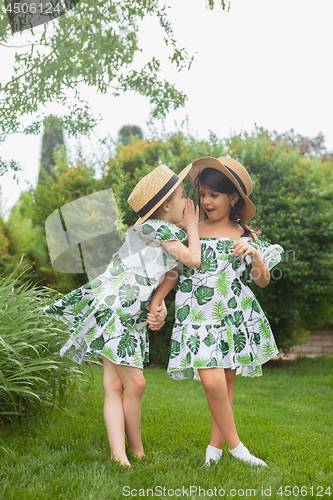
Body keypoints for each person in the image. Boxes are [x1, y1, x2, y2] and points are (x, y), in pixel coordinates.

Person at [45, 163, 201, 466]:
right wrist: (193, 226)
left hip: (125, 313)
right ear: (167, 204)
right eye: (184, 196)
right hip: (115, 310)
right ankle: (131, 451)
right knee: (136, 384)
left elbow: (171, 272)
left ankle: (125, 453)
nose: (188, 202)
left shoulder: (161, 233)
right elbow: (193, 260)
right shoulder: (158, 228)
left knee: (114, 385)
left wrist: (158, 301)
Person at [148, 156, 284, 467]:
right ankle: (238, 448)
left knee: (224, 385)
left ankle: (214, 449)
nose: (206, 201)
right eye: (202, 194)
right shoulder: (191, 230)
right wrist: (159, 300)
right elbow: (175, 270)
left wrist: (255, 255)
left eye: (214, 194)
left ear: (233, 197)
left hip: (233, 315)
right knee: (212, 383)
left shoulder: (244, 236)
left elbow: (261, 281)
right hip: (198, 315)